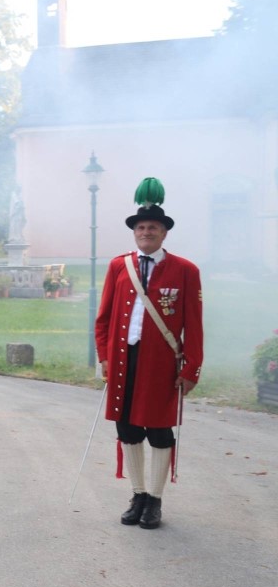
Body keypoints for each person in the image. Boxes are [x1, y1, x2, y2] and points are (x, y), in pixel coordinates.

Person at [95, 177, 203, 530]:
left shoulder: (186, 271)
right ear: (134, 232)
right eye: (141, 227)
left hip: (161, 363)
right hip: (125, 360)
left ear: (164, 232)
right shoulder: (118, 266)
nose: (146, 232)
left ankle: (155, 501)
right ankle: (138, 494)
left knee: (158, 430)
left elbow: (195, 325)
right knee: (128, 428)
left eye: (153, 227)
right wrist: (105, 357)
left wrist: (191, 369)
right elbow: (104, 318)